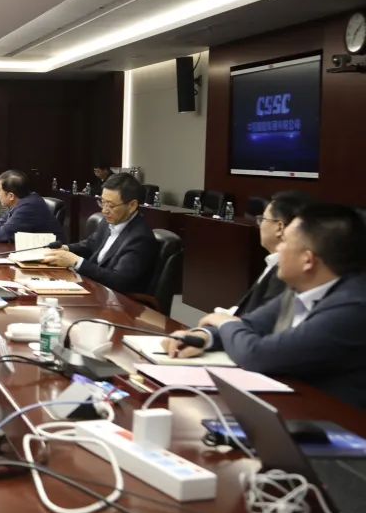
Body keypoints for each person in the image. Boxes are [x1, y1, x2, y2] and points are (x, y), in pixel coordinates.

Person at [163, 204, 366, 408]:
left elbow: (257, 354)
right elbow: (249, 325)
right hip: (294, 404)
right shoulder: (298, 289)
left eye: (285, 242)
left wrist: (224, 322)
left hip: (336, 419)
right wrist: (203, 337)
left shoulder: (352, 308)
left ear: (307, 260)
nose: (279, 249)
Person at [42, 172, 157, 294]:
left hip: (118, 299)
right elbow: (90, 244)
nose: (104, 210)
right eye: (102, 202)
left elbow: (119, 281)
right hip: (95, 288)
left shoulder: (140, 238)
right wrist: (65, 249)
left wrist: (76, 262)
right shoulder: (108, 221)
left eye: (111, 205)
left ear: (132, 205)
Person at [226, 191, 311, 316]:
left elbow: (263, 321)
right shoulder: (274, 263)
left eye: (263, 219)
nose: (259, 225)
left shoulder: (286, 273)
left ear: (279, 227)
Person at [0, 170, 64, 243]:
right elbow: (4, 221)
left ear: (11, 196)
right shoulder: (23, 201)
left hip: (53, 253)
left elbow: (4, 234)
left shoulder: (29, 207)